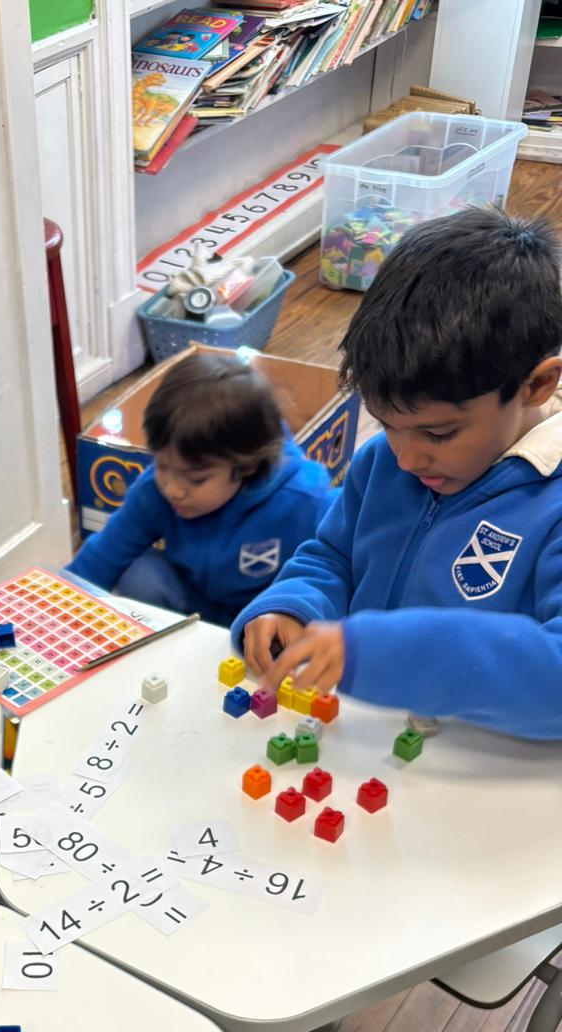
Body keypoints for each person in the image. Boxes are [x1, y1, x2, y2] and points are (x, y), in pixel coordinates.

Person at [233, 207, 562, 739]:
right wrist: (294, 606)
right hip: (366, 739)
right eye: (386, 424)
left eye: (438, 433)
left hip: (478, 760)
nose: (406, 459)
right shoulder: (384, 462)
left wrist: (379, 653)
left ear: (537, 385)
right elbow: (334, 557)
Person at [65, 347, 335, 627]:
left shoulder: (303, 500)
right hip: (192, 606)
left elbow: (333, 569)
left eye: (196, 479)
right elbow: (104, 554)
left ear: (247, 466)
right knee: (139, 576)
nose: (173, 489)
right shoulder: (154, 490)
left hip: (264, 620)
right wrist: (61, 605)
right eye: (162, 465)